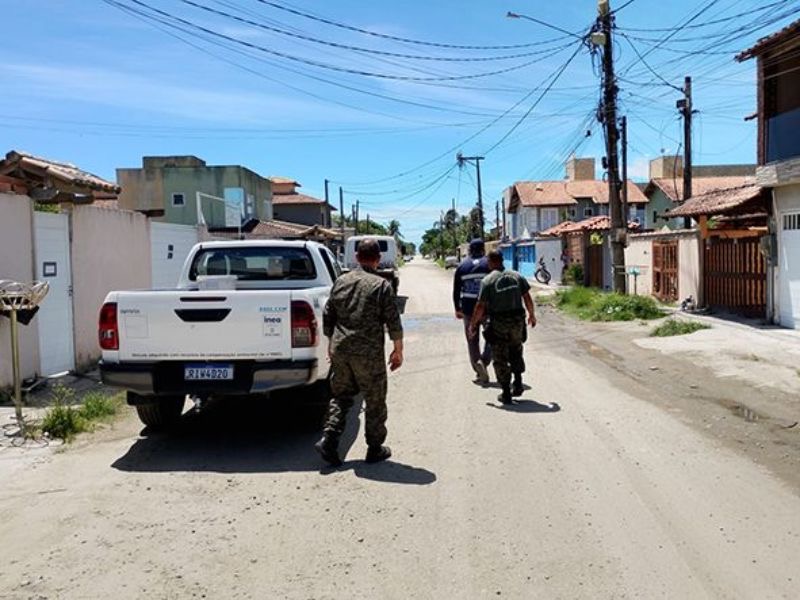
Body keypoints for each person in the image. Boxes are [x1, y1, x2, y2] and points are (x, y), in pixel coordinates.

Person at [315, 237, 404, 467]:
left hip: (341, 348)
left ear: (356, 258)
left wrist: (330, 344)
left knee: (341, 396)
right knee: (374, 400)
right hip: (368, 354)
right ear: (378, 259)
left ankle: (329, 439)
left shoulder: (341, 282)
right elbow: (393, 321)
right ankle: (374, 448)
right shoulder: (381, 285)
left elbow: (328, 315)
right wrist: (397, 350)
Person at [469, 250, 537, 404]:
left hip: (499, 323)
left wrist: (473, 324)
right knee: (516, 350)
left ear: (491, 261)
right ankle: (518, 383)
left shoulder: (487, 281)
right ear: (501, 260)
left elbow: (480, 306)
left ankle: (506, 392)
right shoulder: (517, 276)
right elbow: (527, 297)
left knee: (500, 357)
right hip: (517, 321)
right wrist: (532, 315)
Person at [453, 239, 492, 385]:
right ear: (483, 249)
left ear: (469, 250)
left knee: (472, 340)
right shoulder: (489, 264)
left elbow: (456, 290)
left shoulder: (462, 266)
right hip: (488, 309)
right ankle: (484, 361)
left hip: (468, 310)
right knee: (492, 337)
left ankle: (478, 368)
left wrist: (457, 308)